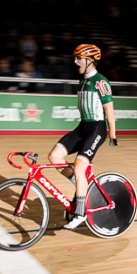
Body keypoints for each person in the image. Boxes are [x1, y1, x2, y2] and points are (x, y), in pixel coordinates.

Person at [47, 44, 118, 230]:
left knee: (79, 167)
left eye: (79, 58)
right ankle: (82, 186)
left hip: (97, 129)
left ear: (90, 61)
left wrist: (113, 133)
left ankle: (80, 214)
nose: (75, 61)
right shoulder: (83, 80)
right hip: (82, 127)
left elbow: (109, 110)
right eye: (76, 58)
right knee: (54, 157)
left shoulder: (101, 81)